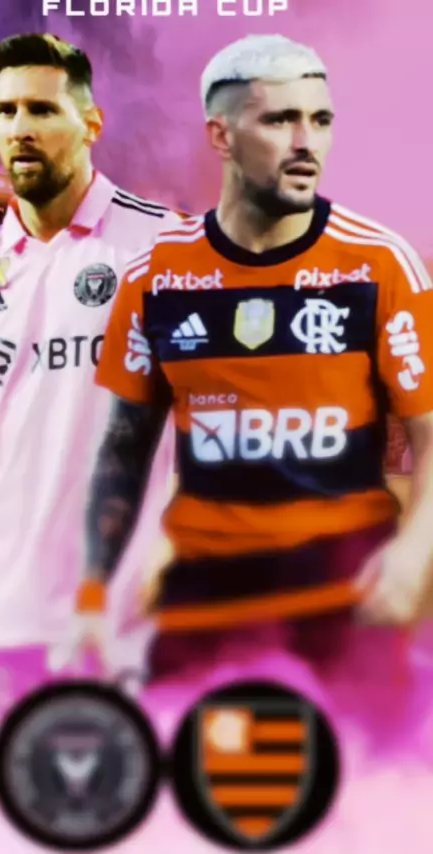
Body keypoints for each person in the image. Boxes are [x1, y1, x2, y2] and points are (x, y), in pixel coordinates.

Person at [72, 32, 433, 760]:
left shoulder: (380, 262)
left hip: (344, 592)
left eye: (320, 120)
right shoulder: (156, 276)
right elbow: (122, 449)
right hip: (203, 595)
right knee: (180, 790)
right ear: (221, 136)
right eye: (280, 120)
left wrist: (412, 554)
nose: (307, 143)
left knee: (364, 797)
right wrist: (95, 592)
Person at [0, 32, 183, 764]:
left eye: (42, 109)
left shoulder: (161, 246)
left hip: (122, 614)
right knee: (9, 803)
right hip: (4, 616)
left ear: (90, 124)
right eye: (6, 111)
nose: (19, 128)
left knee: (125, 801)